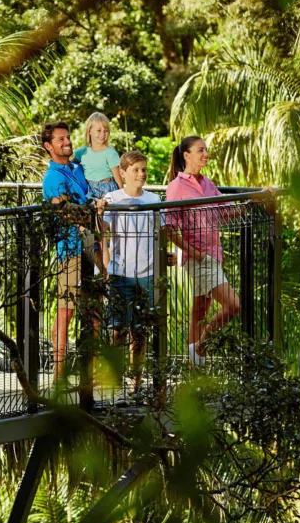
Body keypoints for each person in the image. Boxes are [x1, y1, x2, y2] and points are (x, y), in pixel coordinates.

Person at [165, 135, 240, 363]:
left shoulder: (207, 183)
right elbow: (169, 228)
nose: (205, 154)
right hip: (198, 258)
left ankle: (193, 370)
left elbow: (227, 211)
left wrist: (260, 199)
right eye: (200, 150)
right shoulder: (176, 187)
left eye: (205, 150)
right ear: (187, 155)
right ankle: (200, 349)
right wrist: (195, 254)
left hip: (214, 254)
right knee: (234, 306)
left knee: (199, 312)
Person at [100, 150, 160, 392]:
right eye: (136, 170)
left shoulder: (154, 200)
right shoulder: (112, 198)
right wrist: (99, 211)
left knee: (140, 331)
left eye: (144, 169)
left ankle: (136, 380)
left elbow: (160, 232)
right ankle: (114, 378)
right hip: (120, 271)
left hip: (147, 273)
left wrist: (163, 255)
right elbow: (101, 231)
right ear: (122, 173)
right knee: (117, 329)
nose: (141, 174)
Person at [41, 121, 92, 378]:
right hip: (70, 249)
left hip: (92, 246)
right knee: (66, 309)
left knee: (93, 309)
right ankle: (58, 375)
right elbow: (64, 212)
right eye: (60, 140)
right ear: (48, 146)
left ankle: (90, 374)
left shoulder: (77, 168)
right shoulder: (52, 177)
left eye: (68, 137)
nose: (67, 142)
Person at [74, 112, 122, 199]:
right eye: (99, 130)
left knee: (107, 212)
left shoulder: (111, 153)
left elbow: (118, 179)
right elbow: (70, 165)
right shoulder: (83, 151)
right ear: (90, 131)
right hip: (89, 190)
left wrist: (123, 198)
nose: (103, 134)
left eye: (106, 131)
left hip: (108, 190)